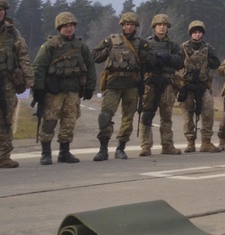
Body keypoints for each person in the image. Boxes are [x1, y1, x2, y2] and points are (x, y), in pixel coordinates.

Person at [31, 11, 96, 165]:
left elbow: (90, 67)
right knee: (50, 121)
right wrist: (38, 89)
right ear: (59, 28)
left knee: (69, 122)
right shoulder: (50, 46)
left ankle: (64, 152)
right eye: (65, 26)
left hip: (73, 90)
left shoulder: (81, 47)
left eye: (71, 26)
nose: (69, 29)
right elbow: (39, 67)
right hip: (54, 90)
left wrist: (90, 87)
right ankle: (46, 153)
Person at [92, 11, 153, 161]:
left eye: (131, 25)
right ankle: (103, 148)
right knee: (105, 115)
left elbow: (152, 61)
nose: (129, 27)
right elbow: (95, 56)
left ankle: (120, 147)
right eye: (126, 24)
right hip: (113, 83)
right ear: (122, 25)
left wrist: (144, 55)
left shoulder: (142, 43)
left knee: (128, 118)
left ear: (136, 27)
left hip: (132, 84)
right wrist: (109, 50)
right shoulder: (111, 40)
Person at [138, 13, 184, 156]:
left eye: (164, 25)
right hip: (151, 82)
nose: (162, 27)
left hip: (167, 82)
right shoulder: (146, 44)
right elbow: (141, 60)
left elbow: (180, 62)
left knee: (166, 115)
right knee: (147, 114)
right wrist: (155, 58)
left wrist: (168, 57)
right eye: (159, 25)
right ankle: (146, 146)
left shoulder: (173, 46)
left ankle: (167, 145)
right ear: (154, 27)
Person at [178, 20, 221, 153]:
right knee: (187, 114)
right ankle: (190, 142)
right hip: (187, 84)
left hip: (202, 85)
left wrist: (207, 60)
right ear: (191, 34)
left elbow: (216, 63)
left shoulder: (208, 48)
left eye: (199, 32)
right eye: (195, 32)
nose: (197, 35)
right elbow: (176, 62)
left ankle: (206, 142)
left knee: (208, 111)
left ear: (202, 34)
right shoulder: (183, 47)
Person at [0, 0, 33, 168]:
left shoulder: (12, 33)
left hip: (6, 80)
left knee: (6, 118)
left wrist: (29, 78)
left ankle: (4, 156)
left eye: (1, 10)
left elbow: (23, 56)